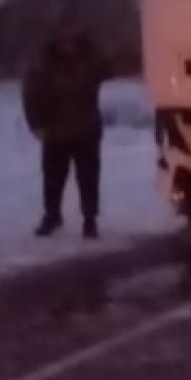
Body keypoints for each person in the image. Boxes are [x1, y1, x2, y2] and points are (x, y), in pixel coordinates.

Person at [23, 27, 111, 239]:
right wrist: (36, 123)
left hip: (85, 130)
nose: (67, 44)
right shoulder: (44, 65)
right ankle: (52, 215)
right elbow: (30, 95)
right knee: (53, 178)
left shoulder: (89, 61)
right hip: (55, 131)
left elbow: (110, 66)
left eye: (70, 39)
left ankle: (89, 219)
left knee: (88, 178)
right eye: (63, 40)